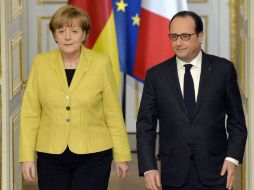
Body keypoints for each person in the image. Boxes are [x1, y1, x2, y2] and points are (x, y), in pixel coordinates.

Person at [19, 5, 131, 190]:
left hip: (94, 155)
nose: (67, 36)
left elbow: (112, 112)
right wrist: (26, 157)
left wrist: (122, 155)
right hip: (50, 156)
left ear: (84, 34)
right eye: (61, 31)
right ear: (54, 35)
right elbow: (30, 113)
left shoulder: (101, 63)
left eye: (74, 31)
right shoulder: (40, 63)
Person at [136, 11, 247, 190]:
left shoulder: (223, 70)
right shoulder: (156, 76)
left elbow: (237, 122)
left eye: (185, 36)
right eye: (174, 36)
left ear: (200, 36)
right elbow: (145, 126)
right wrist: (149, 167)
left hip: (217, 171)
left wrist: (232, 158)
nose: (178, 42)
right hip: (174, 172)